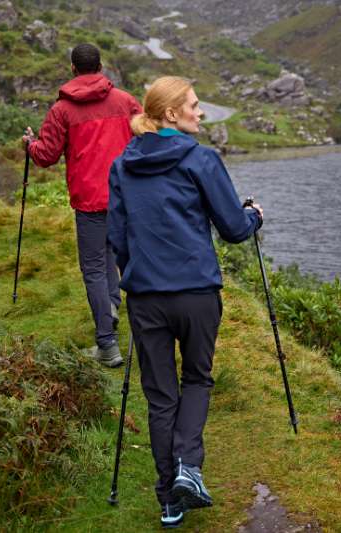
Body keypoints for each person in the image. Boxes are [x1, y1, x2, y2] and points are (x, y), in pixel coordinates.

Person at [107, 76, 263, 528]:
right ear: (171, 114)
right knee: (196, 380)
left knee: (160, 397)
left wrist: (136, 274)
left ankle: (169, 501)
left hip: (145, 298)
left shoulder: (122, 165)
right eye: (194, 105)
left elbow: (117, 236)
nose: (201, 112)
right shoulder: (201, 159)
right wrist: (253, 216)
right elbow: (233, 229)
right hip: (196, 293)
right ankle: (188, 470)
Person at [22, 43, 142, 368]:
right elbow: (145, 142)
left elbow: (46, 155)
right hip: (123, 197)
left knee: (93, 267)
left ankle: (107, 345)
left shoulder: (61, 111)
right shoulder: (127, 102)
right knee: (112, 257)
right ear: (101, 66)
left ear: (73, 68)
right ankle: (112, 307)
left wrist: (30, 145)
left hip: (89, 202)